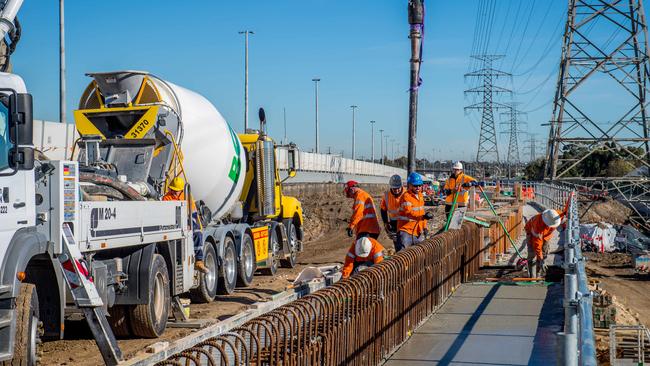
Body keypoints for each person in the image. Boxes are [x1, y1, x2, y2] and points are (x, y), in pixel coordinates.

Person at [163, 177, 210, 274]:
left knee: (197, 233)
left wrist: (189, 225)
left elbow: (192, 213)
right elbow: (166, 214)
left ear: (181, 190)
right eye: (173, 190)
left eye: (177, 191)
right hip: (172, 222)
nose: (174, 192)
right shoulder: (166, 197)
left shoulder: (187, 196)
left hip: (187, 218)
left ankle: (199, 261)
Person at [396, 172, 433, 251]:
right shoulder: (406, 196)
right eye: (415, 185)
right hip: (405, 231)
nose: (418, 187)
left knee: (420, 253)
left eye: (420, 185)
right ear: (409, 185)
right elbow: (409, 213)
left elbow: (421, 212)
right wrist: (423, 217)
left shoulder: (420, 196)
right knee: (402, 256)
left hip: (417, 231)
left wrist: (425, 227)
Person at [524, 209, 564, 278]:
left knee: (544, 252)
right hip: (532, 234)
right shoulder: (537, 225)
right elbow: (537, 245)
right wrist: (540, 258)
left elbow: (566, 211)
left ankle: (539, 274)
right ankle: (532, 276)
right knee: (532, 253)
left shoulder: (556, 215)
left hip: (547, 235)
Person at [380, 175, 404, 250]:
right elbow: (383, 209)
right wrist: (386, 222)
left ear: (401, 186)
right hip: (393, 222)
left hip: (404, 222)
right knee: (397, 243)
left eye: (398, 188)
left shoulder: (406, 194)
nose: (396, 190)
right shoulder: (386, 195)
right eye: (394, 189)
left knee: (405, 243)